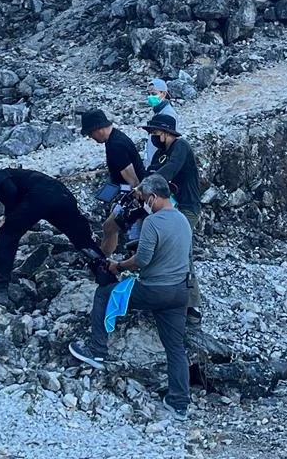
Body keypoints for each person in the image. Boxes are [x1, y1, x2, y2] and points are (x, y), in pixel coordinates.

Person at [69, 174, 193, 420]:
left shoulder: (153, 222)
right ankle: (179, 403)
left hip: (155, 289)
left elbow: (143, 260)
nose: (142, 203)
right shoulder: (183, 220)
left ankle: (97, 350)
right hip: (180, 292)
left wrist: (119, 265)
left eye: (143, 199)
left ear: (154, 197)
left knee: (104, 294)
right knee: (175, 348)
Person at [0, 167, 106, 304]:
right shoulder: (17, 175)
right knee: (81, 239)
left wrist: (8, 218)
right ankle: (106, 275)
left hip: (38, 198)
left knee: (6, 234)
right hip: (62, 195)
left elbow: (11, 192)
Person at [144, 113, 203, 325]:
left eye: (155, 132)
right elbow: (150, 173)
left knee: (183, 253)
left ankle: (191, 304)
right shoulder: (158, 155)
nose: (153, 136)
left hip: (186, 208)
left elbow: (167, 172)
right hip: (165, 209)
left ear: (167, 133)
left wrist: (147, 184)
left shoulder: (181, 147)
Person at [80, 109, 146, 256]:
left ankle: (104, 261)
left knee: (110, 227)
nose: (91, 137)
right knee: (110, 228)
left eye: (91, 134)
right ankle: (106, 258)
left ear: (99, 129)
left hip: (133, 197)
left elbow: (133, 180)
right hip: (130, 195)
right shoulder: (116, 139)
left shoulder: (115, 146)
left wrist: (129, 202)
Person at [144, 78, 179, 168]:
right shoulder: (158, 111)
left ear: (163, 94)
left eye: (154, 94)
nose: (150, 97)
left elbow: (168, 142)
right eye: (149, 94)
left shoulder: (168, 114)